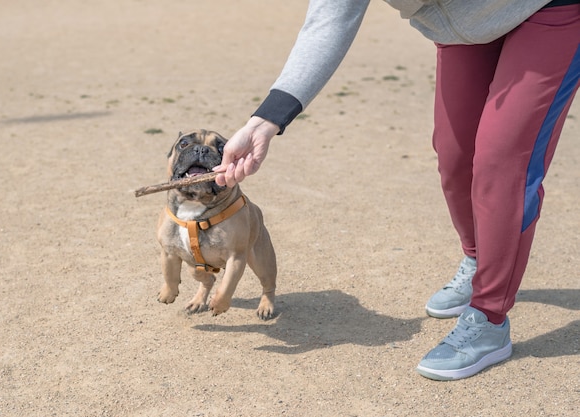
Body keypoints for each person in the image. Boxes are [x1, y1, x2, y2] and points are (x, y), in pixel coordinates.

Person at [213, 0, 580, 381]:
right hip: (463, 26)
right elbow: (329, 21)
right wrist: (265, 121)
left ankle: (488, 317)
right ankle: (477, 259)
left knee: (502, 163)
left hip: (546, 9)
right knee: (455, 157)